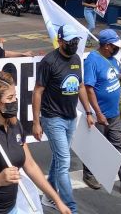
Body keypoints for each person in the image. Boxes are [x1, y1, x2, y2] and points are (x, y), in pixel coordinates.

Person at [0, 71, 71, 214]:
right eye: (10, 97)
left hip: (11, 208)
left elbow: (30, 165)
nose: (15, 102)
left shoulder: (15, 125)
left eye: (15, 96)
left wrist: (57, 200)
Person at [32, 25, 95, 212]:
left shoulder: (76, 59)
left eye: (76, 40)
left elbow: (81, 86)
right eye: (69, 41)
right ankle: (70, 207)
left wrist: (89, 112)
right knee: (64, 163)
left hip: (71, 118)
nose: (74, 44)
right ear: (59, 41)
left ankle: (49, 195)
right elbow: (38, 91)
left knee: (60, 159)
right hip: (53, 118)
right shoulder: (48, 62)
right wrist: (36, 122)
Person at [82, 29, 121, 195]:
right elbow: (89, 89)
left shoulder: (112, 59)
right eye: (115, 46)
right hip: (99, 115)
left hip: (114, 113)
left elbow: (113, 76)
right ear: (107, 46)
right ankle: (88, 175)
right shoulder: (92, 60)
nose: (118, 48)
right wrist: (97, 113)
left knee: (118, 146)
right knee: (95, 146)